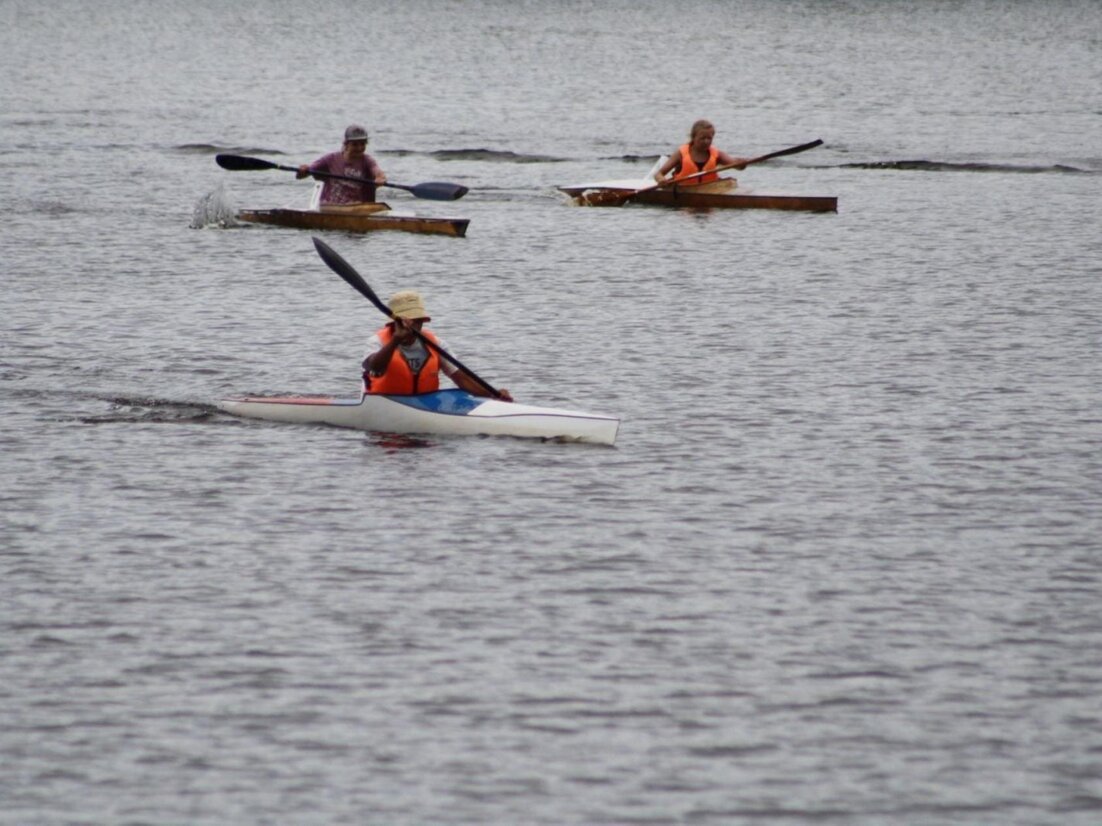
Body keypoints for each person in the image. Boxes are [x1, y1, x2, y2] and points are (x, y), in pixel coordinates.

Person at [361, 290, 513, 402]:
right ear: (395, 322)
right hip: (384, 405)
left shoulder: (437, 344)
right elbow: (375, 368)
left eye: (418, 320)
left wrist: (492, 395)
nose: (414, 325)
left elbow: (463, 380)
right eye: (410, 321)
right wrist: (395, 340)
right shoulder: (377, 341)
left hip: (425, 407)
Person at [296, 124, 386, 205]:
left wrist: (380, 178)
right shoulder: (330, 159)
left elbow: (377, 171)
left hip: (358, 209)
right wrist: (304, 170)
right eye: (355, 144)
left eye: (362, 144)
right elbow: (301, 176)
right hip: (330, 207)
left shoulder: (367, 161)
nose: (359, 148)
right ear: (346, 144)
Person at [654, 119, 750, 186]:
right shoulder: (681, 153)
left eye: (709, 138)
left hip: (709, 191)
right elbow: (659, 174)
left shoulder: (717, 154)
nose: (706, 141)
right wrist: (661, 180)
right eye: (702, 138)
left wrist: (741, 164)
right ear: (694, 137)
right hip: (684, 194)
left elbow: (735, 164)